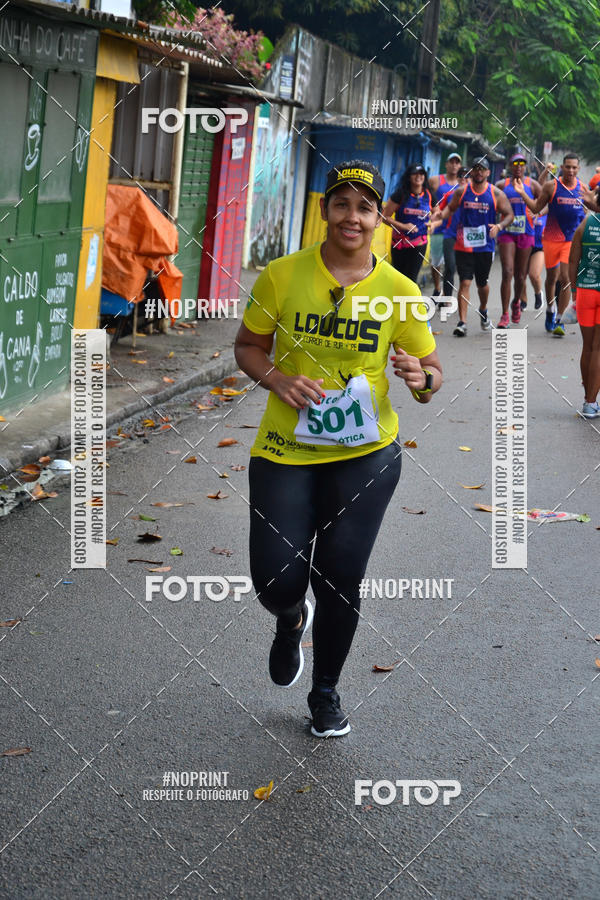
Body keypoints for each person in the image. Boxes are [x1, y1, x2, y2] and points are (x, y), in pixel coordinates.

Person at [234, 160, 442, 738]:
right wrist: (277, 379)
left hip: (366, 454)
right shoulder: (281, 275)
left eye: (365, 207)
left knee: (341, 576)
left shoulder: (400, 291)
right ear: (325, 210)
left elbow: (431, 373)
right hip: (283, 448)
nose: (353, 217)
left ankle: (325, 691)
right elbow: (249, 345)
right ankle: (288, 617)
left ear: (380, 218)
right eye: (342, 204)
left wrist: (418, 378)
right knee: (276, 579)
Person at [514, 153, 590, 335]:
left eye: (574, 167)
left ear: (578, 169)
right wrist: (523, 193)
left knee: (565, 278)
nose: (571, 170)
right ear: (562, 167)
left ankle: (560, 318)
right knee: (551, 278)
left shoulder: (583, 189)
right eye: (568, 167)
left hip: (571, 240)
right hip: (551, 238)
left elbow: (591, 209)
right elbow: (535, 208)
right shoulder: (551, 186)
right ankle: (550, 310)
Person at [447, 157, 514, 336]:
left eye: (482, 169)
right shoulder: (461, 192)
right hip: (464, 244)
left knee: (481, 283)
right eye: (475, 168)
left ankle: (483, 310)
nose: (478, 172)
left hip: (485, 246)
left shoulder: (496, 193)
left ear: (487, 172)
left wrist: (499, 226)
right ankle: (462, 323)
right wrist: (438, 218)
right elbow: (451, 208)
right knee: (465, 282)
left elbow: (509, 214)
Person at [495, 153, 543, 326]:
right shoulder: (501, 185)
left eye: (522, 163)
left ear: (525, 167)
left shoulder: (533, 184)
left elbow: (543, 203)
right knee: (507, 271)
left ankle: (516, 302)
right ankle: (504, 313)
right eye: (515, 163)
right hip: (507, 231)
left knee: (520, 276)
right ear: (510, 166)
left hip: (526, 232)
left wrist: (537, 212)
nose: (519, 166)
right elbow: (492, 204)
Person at [568, 186, 600, 417]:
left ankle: (588, 400)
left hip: (586, 293)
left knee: (588, 347)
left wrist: (574, 292)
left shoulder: (585, 224)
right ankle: (591, 402)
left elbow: (572, 261)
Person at [382, 163, 432, 282]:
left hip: (419, 244)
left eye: (421, 174)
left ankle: (410, 301)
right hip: (400, 243)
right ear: (409, 176)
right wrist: (404, 226)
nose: (418, 176)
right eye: (415, 174)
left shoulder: (429, 195)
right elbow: (384, 217)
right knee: (399, 279)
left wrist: (433, 223)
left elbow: (438, 215)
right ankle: (397, 301)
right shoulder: (400, 194)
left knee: (411, 279)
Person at [428, 152, 462, 297]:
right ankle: (437, 288)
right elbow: (426, 197)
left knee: (451, 265)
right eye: (451, 162)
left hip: (454, 229)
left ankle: (447, 295)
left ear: (459, 166)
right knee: (435, 262)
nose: (454, 165)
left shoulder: (463, 184)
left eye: (457, 162)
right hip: (438, 227)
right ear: (446, 164)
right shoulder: (435, 181)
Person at [519, 210, 548, 312]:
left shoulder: (547, 212)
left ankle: (538, 293)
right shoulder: (523, 209)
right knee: (521, 276)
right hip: (524, 245)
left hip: (538, 247)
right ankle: (523, 300)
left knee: (534, 274)